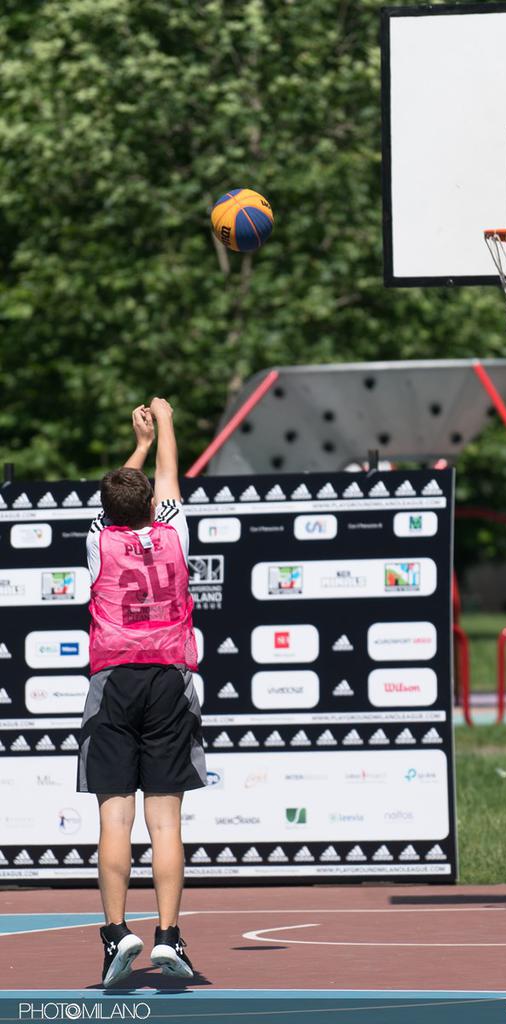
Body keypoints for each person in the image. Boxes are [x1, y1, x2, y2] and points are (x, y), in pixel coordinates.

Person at [77, 399, 204, 987]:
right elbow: (167, 481)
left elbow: (119, 499)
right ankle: (169, 935)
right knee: (166, 822)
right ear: (152, 506)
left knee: (114, 818)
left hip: (114, 681)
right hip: (169, 680)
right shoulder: (173, 531)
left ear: (106, 512)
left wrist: (140, 444)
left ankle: (115, 933)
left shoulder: (98, 538)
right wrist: (165, 425)